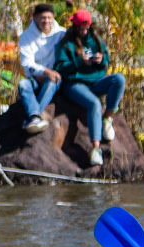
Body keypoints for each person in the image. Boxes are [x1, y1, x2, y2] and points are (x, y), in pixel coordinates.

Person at [52, 10, 121, 167]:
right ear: (74, 26)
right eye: (80, 28)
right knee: (94, 104)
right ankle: (95, 149)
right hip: (74, 84)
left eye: (86, 28)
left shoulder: (95, 40)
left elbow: (106, 62)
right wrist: (79, 62)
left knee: (119, 79)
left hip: (94, 82)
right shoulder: (66, 43)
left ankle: (107, 119)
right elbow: (60, 68)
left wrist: (100, 60)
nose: (83, 31)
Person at [15, 4, 64, 135]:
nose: (46, 21)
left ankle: (34, 117)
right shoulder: (26, 37)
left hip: (53, 79)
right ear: (35, 18)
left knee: (51, 83)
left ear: (53, 17)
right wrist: (44, 71)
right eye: (43, 18)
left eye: (49, 18)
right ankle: (35, 116)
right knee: (23, 84)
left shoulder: (61, 34)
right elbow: (27, 63)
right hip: (35, 78)